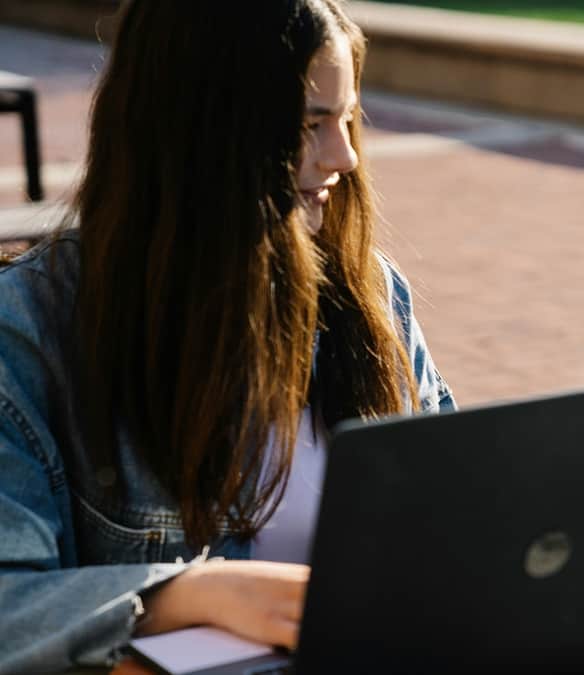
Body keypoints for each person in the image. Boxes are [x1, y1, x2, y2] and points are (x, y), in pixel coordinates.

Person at [0, 0, 454, 671]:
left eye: (347, 118)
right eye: (310, 125)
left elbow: (458, 504)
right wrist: (190, 595)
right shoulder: (29, 330)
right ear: (199, 133)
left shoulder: (373, 293)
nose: (345, 156)